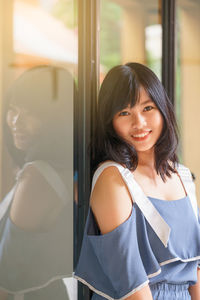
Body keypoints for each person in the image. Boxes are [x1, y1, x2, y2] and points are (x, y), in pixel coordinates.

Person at [74, 62, 200, 300]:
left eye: (147, 108)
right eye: (124, 113)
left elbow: (195, 270)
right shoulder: (113, 178)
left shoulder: (182, 175)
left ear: (163, 109)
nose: (139, 123)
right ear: (109, 121)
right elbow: (131, 285)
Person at [0, 66, 74, 299]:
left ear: (55, 116)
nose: (16, 121)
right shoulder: (66, 166)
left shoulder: (37, 177)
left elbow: (7, 275)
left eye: (31, 112)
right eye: (13, 110)